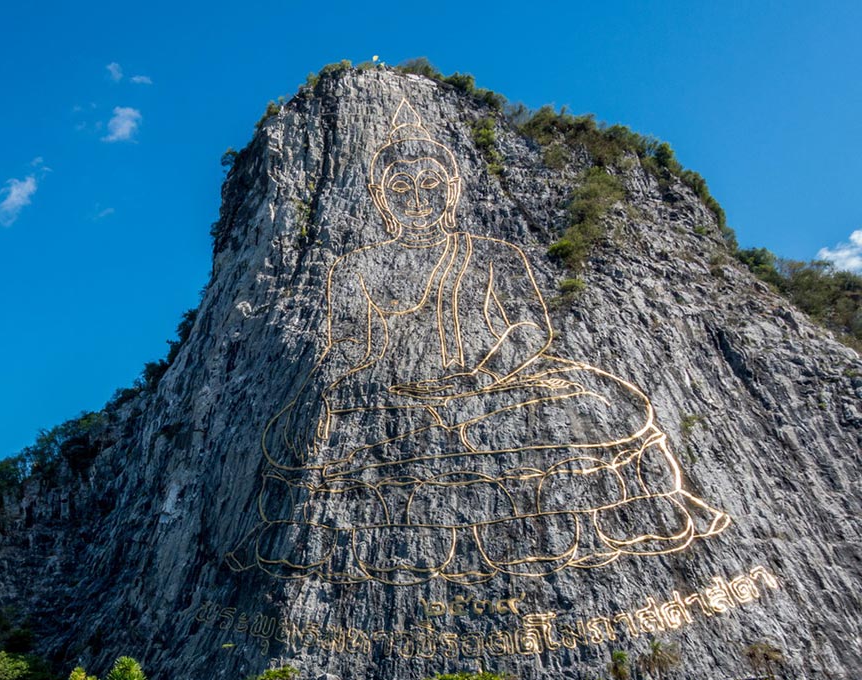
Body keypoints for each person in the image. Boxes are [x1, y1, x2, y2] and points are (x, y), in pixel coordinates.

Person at [230, 98, 729, 584]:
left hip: (497, 389)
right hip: (404, 401)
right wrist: (336, 390)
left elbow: (531, 329)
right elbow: (351, 347)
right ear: (381, 196)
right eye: (401, 187)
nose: (417, 198)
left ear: (452, 187)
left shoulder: (493, 252)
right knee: (296, 436)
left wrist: (485, 375)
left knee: (601, 401)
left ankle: (625, 507)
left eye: (430, 184)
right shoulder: (356, 265)